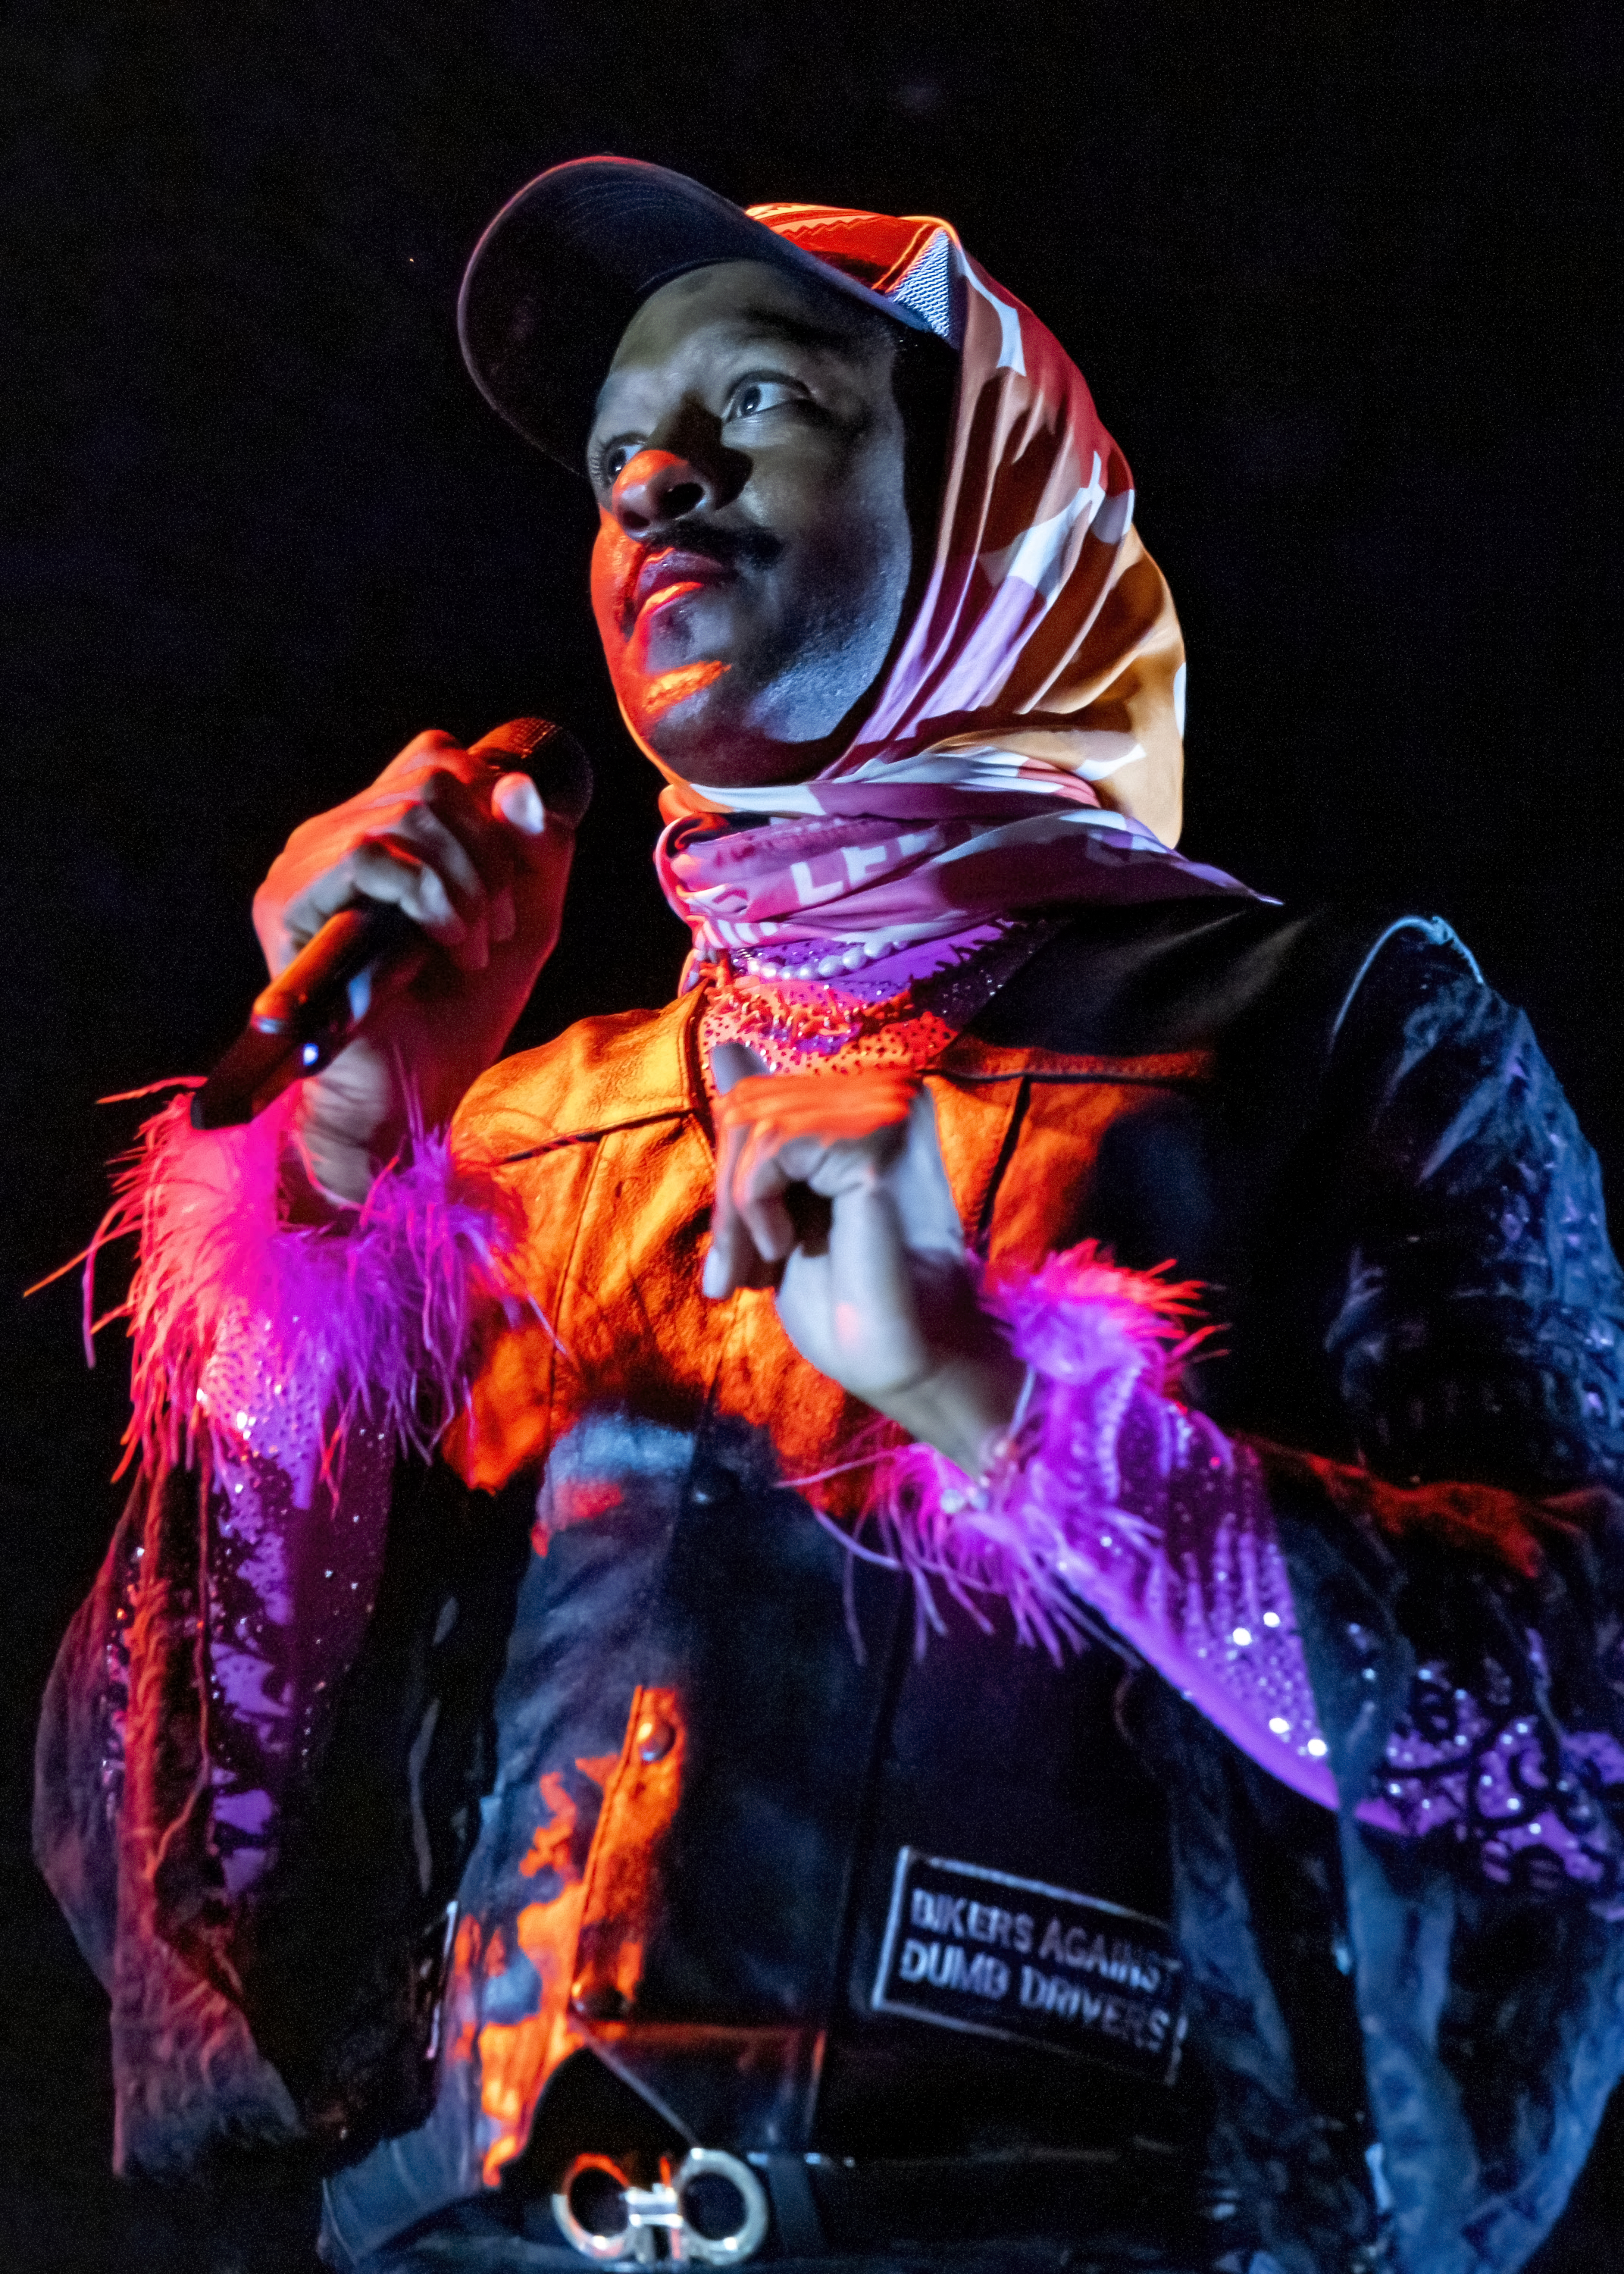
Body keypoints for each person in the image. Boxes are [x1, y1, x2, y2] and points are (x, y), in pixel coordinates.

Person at [33, 158, 1624, 2274]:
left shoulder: (1330, 1042)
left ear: (994, 501)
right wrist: (328, 1191)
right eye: (615, 462)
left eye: (764, 402)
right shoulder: (512, 1139)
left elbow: (1568, 1730)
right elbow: (182, 1847)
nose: (661, 485)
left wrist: (1007, 1407)